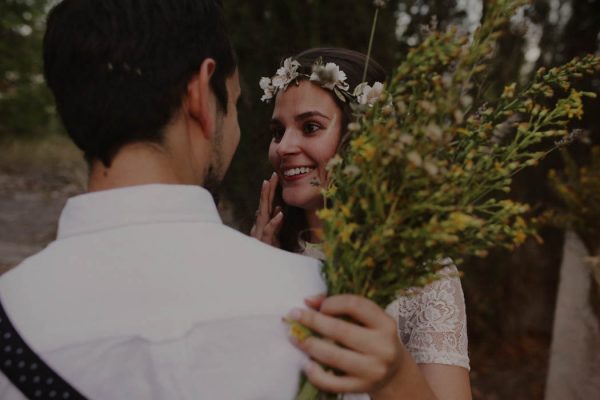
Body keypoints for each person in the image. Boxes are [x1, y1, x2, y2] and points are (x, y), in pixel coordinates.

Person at [0, 2, 440, 400]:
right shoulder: (322, 303)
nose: (279, 145)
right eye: (233, 102)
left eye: (309, 127)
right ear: (200, 93)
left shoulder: (12, 319)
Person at [252, 48, 472, 399]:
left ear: (366, 138)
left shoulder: (422, 273)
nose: (284, 147)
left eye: (310, 127)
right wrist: (257, 279)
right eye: (278, 131)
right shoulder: (263, 257)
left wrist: (392, 373)